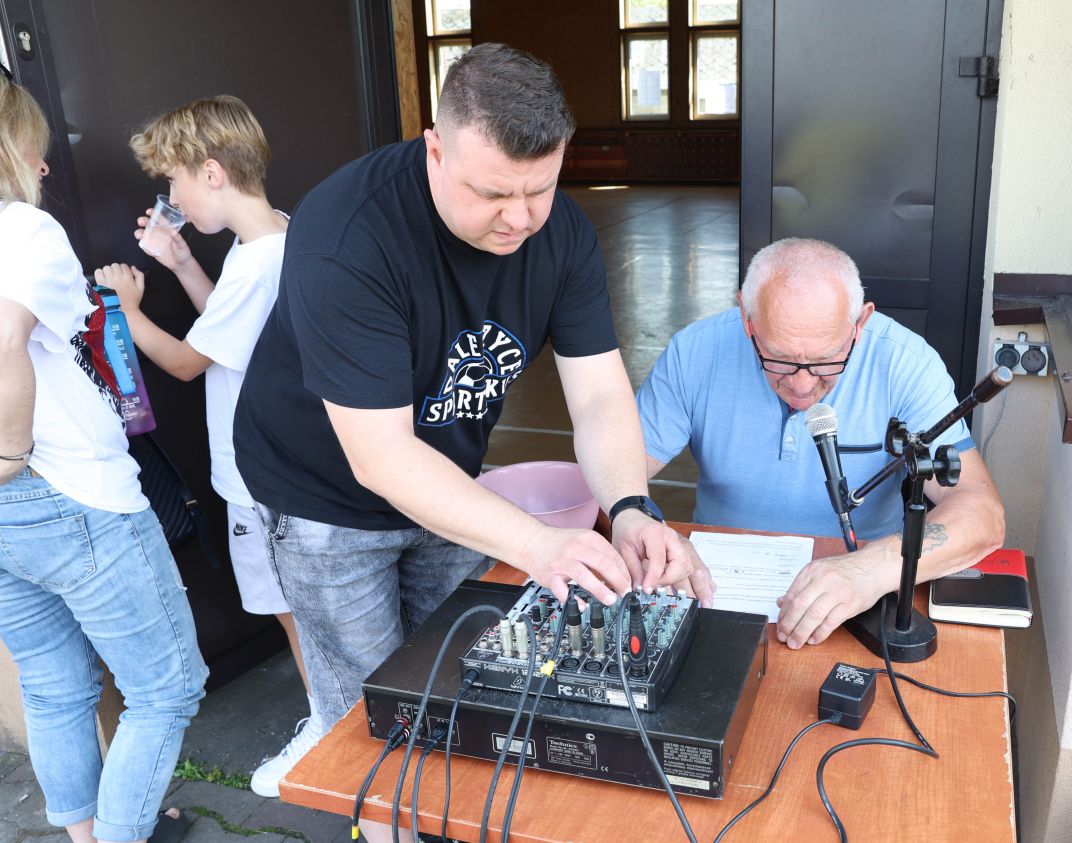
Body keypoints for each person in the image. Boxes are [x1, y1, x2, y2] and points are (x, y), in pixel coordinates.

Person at [232, 43, 697, 789]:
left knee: (468, 680)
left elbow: (600, 394)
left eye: (539, 189)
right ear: (436, 150)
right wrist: (538, 544)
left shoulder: (562, 233)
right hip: (324, 498)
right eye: (492, 193)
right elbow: (381, 456)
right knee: (374, 717)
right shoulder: (347, 234)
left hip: (449, 477)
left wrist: (631, 508)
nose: (519, 218)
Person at [0, 71, 207, 843]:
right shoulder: (21, 229)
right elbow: (5, 339)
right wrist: (8, 452)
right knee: (166, 687)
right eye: (32, 147)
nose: (44, 164)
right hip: (68, 490)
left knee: (54, 685)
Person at [90, 95, 311, 798]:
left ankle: (327, 726)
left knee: (292, 610)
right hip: (286, 463)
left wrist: (126, 311)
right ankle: (333, 717)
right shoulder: (278, 233)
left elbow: (190, 361)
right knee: (301, 604)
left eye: (174, 180)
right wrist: (184, 262)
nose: (172, 196)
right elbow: (230, 328)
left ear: (211, 173)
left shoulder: (256, 263)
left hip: (259, 475)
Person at [637, 237, 1005, 650]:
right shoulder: (694, 352)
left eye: (826, 361)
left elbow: (982, 513)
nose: (801, 385)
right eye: (777, 358)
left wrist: (869, 570)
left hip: (859, 604)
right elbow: (608, 479)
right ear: (746, 318)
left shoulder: (905, 363)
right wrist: (651, 533)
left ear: (860, 324)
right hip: (715, 592)